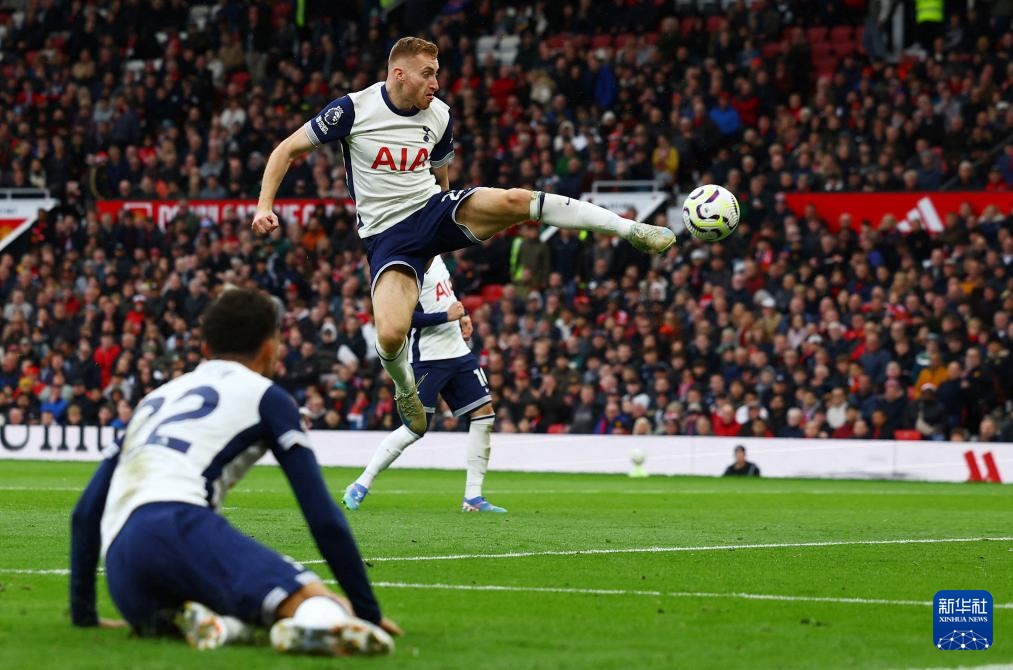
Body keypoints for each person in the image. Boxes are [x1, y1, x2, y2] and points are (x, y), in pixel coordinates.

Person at [251, 36, 675, 440]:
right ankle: (405, 389)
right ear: (399, 74)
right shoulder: (352, 110)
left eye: (437, 73)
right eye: (427, 73)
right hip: (386, 237)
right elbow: (285, 150)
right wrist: (264, 206)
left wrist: (449, 227)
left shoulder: (439, 114)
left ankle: (630, 229)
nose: (436, 83)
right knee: (391, 335)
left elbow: (441, 173)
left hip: (432, 211)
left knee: (514, 200)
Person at [69, 288, 401, 656]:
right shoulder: (268, 396)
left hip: (123, 569)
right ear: (269, 346)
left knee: (219, 598)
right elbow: (322, 515)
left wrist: (84, 615)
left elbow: (85, 514)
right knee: (315, 599)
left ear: (206, 347)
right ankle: (321, 621)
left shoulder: (155, 398)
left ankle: (219, 625)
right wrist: (366, 611)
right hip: (178, 526)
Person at [342, 254, 505, 513]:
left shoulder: (437, 256)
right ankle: (361, 483)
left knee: (484, 415)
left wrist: (462, 316)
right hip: (428, 358)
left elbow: (444, 295)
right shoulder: (405, 269)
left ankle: (473, 498)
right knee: (414, 428)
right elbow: (404, 319)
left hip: (458, 352)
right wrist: (446, 316)